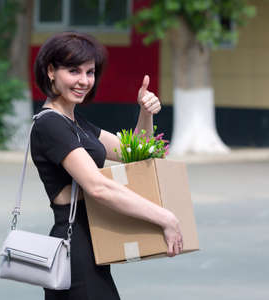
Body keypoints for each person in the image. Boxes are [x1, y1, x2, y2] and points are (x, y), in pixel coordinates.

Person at [31, 31, 183, 300]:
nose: (84, 80)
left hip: (92, 242)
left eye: (89, 72)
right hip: (73, 243)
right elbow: (97, 187)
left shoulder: (76, 123)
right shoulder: (50, 124)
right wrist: (164, 217)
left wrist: (145, 113)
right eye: (73, 71)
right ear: (51, 71)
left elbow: (137, 153)